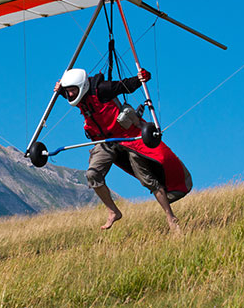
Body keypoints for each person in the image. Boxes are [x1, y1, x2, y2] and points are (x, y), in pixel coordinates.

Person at [55, 68, 192, 232]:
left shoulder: (103, 89)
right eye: (68, 91)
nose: (70, 95)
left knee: (147, 179)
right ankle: (113, 211)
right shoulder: (76, 94)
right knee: (92, 174)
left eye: (72, 91)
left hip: (128, 137)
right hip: (106, 141)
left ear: (82, 86)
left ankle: (171, 219)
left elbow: (125, 85)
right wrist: (60, 89)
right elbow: (69, 93)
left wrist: (141, 78)